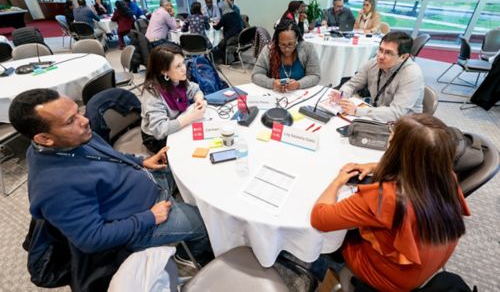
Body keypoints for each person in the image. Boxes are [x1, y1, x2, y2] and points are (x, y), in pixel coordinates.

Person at [8, 88, 210, 265]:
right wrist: (148, 218)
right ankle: (187, 255)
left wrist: (140, 162)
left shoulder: (74, 138)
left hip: (144, 181)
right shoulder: (55, 187)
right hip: (143, 218)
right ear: (44, 138)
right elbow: (91, 239)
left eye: (77, 111)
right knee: (206, 222)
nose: (85, 120)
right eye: (70, 121)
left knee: (187, 163)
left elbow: (107, 155)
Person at [310, 114, 470, 291]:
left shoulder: (386, 197)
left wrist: (338, 181)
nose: (389, 134)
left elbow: (320, 217)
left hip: (389, 279)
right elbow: (417, 166)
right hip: (423, 267)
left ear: (397, 149)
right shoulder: (447, 177)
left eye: (392, 133)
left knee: (332, 235)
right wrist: (373, 165)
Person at [330, 31, 424, 122]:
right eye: (380, 50)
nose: (380, 56)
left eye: (388, 53)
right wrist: (342, 94)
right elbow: (352, 84)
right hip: (377, 113)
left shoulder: (412, 75)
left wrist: (357, 111)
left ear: (403, 57)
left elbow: (397, 113)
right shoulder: (374, 63)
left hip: (404, 124)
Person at [141, 45, 206, 153]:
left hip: (175, 123)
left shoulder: (177, 79)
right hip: (156, 139)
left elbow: (195, 90)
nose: (184, 68)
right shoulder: (153, 93)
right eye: (177, 66)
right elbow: (160, 130)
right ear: (164, 71)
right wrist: (191, 117)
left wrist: (199, 99)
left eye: (183, 62)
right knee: (190, 148)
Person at [252, 20, 320, 92]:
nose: (287, 49)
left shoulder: (307, 48)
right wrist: (272, 83)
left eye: (290, 44)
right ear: (277, 41)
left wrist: (298, 84)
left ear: (296, 39)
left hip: (301, 95)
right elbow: (256, 75)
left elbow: (315, 75)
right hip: (275, 95)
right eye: (283, 45)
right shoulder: (269, 50)